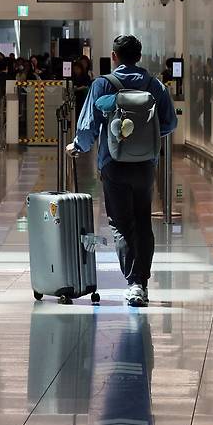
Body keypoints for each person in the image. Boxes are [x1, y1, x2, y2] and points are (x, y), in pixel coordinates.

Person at [67, 34, 177, 307]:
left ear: (114, 56)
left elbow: (88, 125)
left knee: (121, 224)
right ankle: (143, 282)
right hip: (145, 166)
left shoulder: (103, 84)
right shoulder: (155, 86)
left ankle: (134, 283)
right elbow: (170, 123)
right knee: (142, 221)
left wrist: (78, 146)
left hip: (113, 164)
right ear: (139, 57)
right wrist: (146, 136)